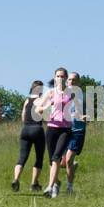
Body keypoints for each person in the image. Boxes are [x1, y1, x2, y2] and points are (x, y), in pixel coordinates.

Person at [35, 68, 76, 198]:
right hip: (52, 128)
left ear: (66, 78)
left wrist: (78, 114)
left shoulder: (72, 93)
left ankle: (49, 187)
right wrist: (47, 106)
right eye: (58, 76)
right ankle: (57, 183)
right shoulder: (51, 92)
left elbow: (76, 109)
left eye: (63, 76)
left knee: (56, 157)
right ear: (54, 78)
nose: (60, 78)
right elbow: (38, 109)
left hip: (65, 129)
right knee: (52, 160)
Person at [11, 80, 45, 192]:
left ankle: (16, 179)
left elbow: (23, 116)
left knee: (22, 158)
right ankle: (34, 183)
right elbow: (45, 118)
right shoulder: (42, 101)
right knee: (39, 158)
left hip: (25, 129)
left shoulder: (27, 101)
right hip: (37, 129)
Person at [63, 71, 89, 193]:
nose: (71, 82)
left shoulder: (83, 96)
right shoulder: (62, 95)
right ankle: (73, 166)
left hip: (77, 130)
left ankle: (69, 187)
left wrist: (86, 117)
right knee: (63, 163)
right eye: (69, 79)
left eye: (74, 80)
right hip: (64, 130)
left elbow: (91, 113)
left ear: (78, 82)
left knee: (68, 160)